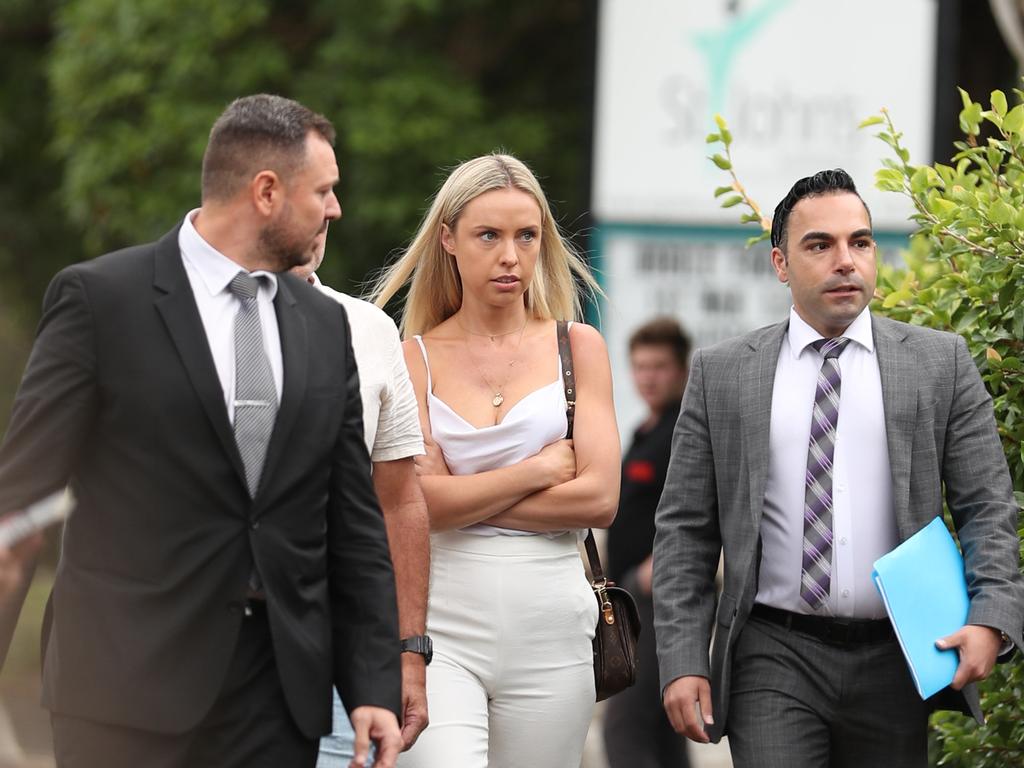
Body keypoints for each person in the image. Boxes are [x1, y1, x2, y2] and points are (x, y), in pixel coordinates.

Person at [0, 94, 403, 768]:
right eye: (324, 190)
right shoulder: (100, 301)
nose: (334, 209)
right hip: (121, 686)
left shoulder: (325, 325)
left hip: (278, 695)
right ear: (266, 192)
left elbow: (353, 522)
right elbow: (18, 506)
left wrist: (373, 686)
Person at [652, 168, 1024, 768]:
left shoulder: (940, 364)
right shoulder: (724, 374)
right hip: (773, 652)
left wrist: (991, 617)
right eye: (819, 245)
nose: (845, 261)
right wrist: (684, 658)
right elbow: (684, 530)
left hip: (899, 653)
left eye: (860, 242)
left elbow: (988, 505)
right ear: (780, 263)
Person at [370, 152, 621, 767]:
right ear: (449, 240)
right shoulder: (412, 358)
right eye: (489, 235)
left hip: (554, 626)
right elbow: (416, 504)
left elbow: (599, 499)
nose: (510, 256)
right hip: (442, 626)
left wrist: (465, 497)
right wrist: (536, 471)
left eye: (526, 235)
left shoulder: (578, 347)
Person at [290, 236, 431, 764]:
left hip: (340, 652)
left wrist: (408, 653)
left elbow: (399, 501)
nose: (330, 214)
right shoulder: (198, 324)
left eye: (330, 192)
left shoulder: (367, 328)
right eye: (316, 193)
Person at [603, 317, 691, 768]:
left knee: (626, 728)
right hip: (630, 601)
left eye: (659, 366)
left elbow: (701, 508)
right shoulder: (644, 432)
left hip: (658, 600)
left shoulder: (683, 431)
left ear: (681, 370)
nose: (648, 377)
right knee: (662, 729)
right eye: (640, 366)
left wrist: (651, 573)